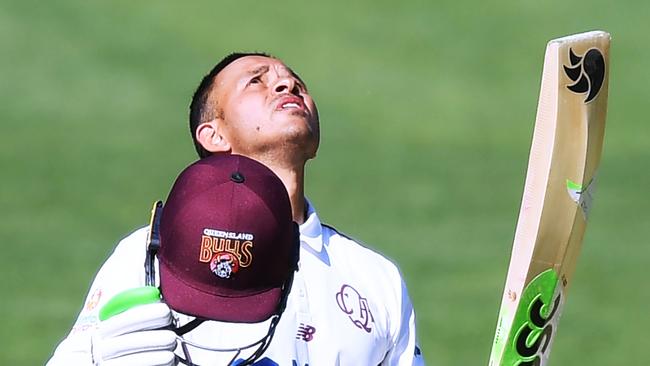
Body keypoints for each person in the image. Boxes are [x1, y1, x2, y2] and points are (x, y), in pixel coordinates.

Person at [47, 52, 424, 365]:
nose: (287, 84)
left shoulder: (376, 278)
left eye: (296, 82)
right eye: (255, 81)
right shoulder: (153, 254)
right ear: (213, 134)